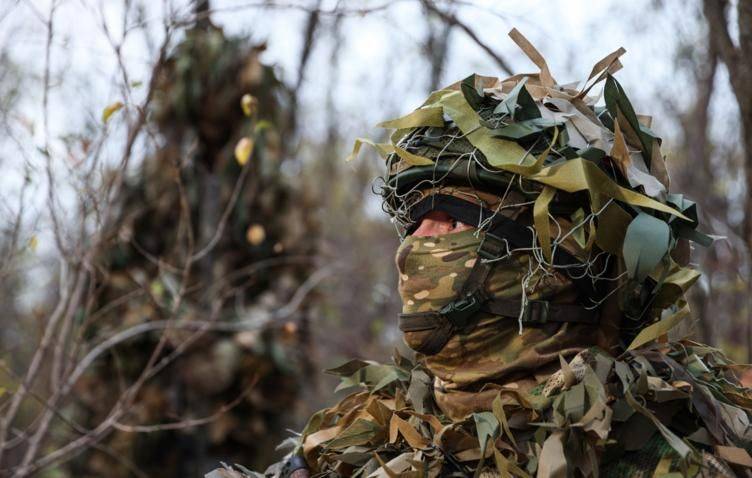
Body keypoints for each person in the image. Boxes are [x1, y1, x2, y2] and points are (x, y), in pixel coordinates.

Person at [215, 29, 752, 478]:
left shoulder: (688, 447)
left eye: (450, 217)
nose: (415, 244)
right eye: (414, 220)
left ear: (557, 257)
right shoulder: (357, 446)